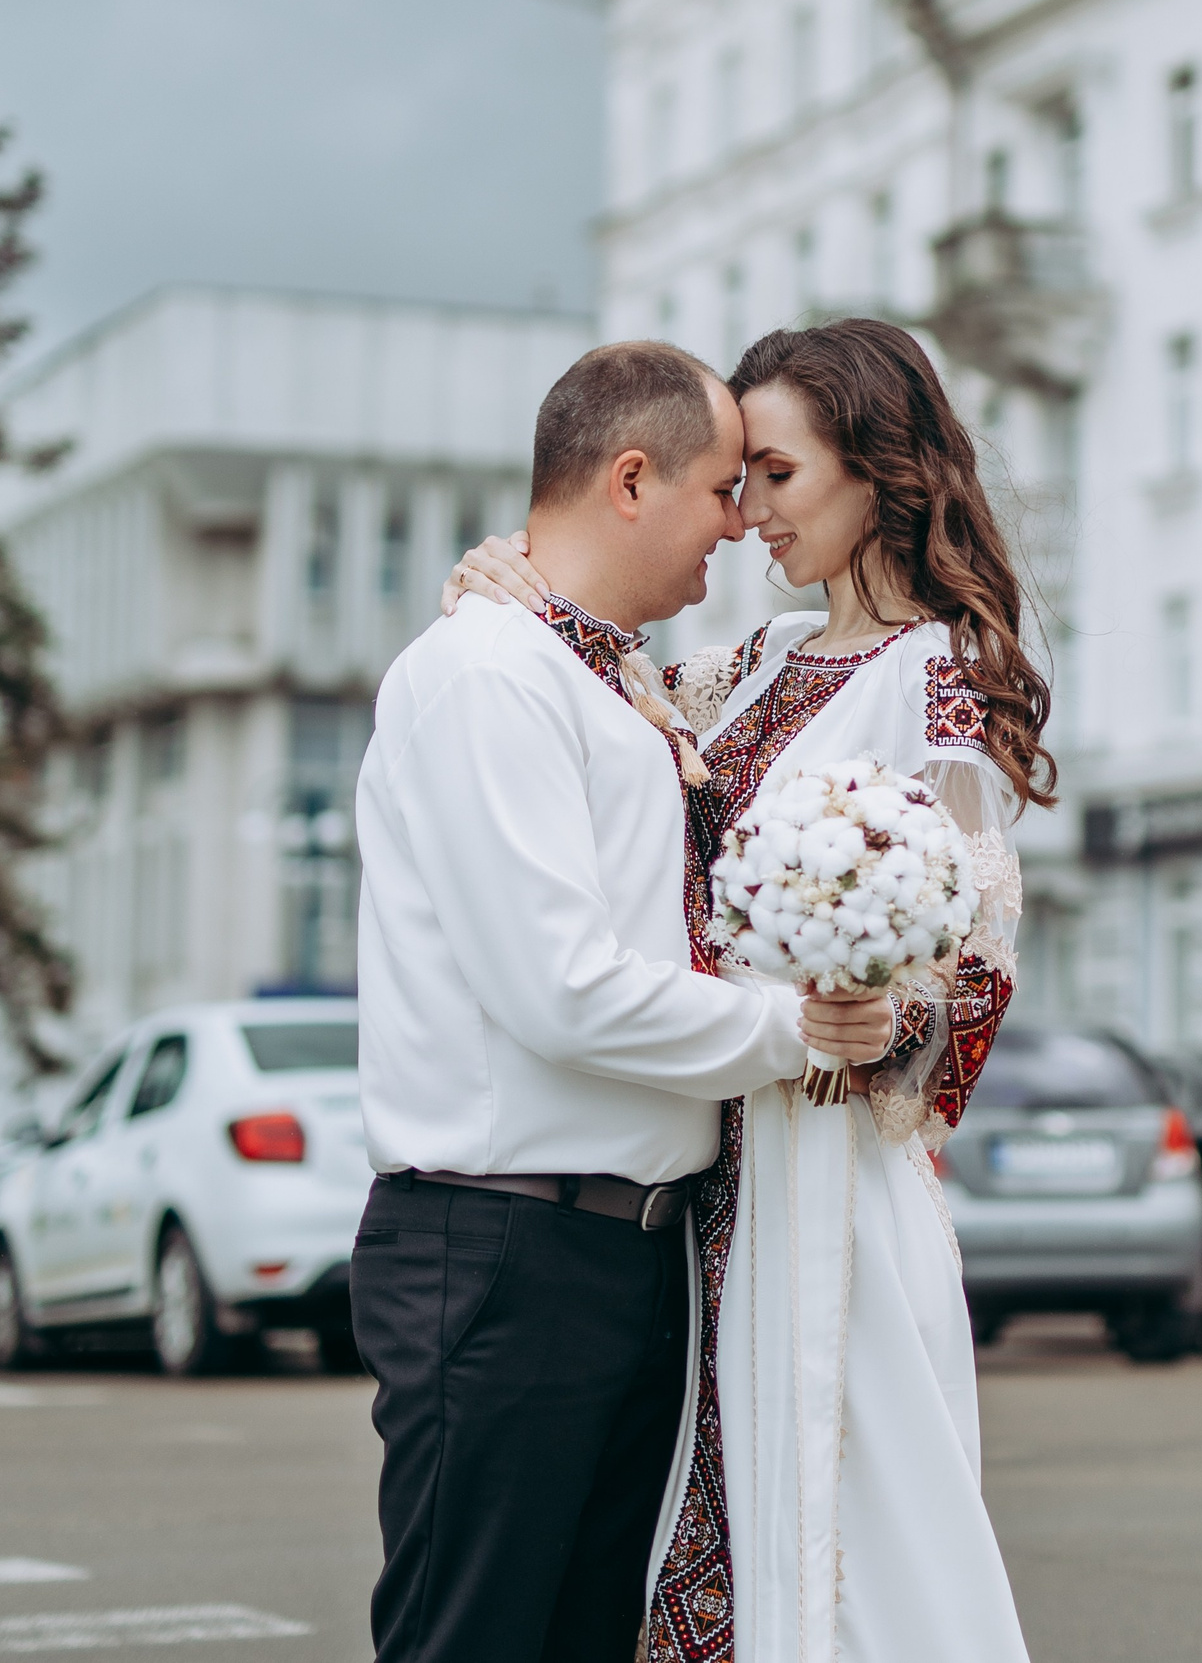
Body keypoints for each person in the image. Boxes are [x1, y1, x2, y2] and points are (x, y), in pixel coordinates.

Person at [444, 318, 1051, 1662]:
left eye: (774, 475)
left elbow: (959, 997)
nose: (746, 516)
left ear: (879, 469)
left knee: (841, 1540)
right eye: (735, 483)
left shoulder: (942, 680)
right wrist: (513, 578)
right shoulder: (752, 666)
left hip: (821, 1178)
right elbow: (592, 685)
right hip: (697, 1172)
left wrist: (873, 1019)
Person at [352, 338, 895, 1663]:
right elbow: (563, 990)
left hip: (617, 1257)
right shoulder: (490, 677)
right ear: (634, 480)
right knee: (475, 1639)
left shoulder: (603, 673)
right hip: (503, 1248)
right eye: (724, 488)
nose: (742, 521)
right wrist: (797, 1035)